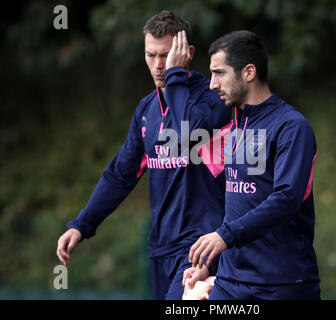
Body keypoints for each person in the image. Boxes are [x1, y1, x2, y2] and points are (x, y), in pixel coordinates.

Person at [56, 10, 231, 300]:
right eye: (151, 55)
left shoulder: (214, 97)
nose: (159, 65)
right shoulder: (146, 110)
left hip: (201, 246)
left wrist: (177, 75)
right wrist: (82, 224)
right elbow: (121, 174)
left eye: (167, 55)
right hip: (160, 246)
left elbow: (189, 131)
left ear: (187, 53)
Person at [185, 30, 321, 299]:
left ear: (248, 72)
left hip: (282, 285)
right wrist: (213, 263)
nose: (212, 84)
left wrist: (225, 235)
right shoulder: (235, 124)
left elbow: (287, 198)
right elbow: (237, 204)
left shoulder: (291, 126)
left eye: (219, 73)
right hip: (229, 282)